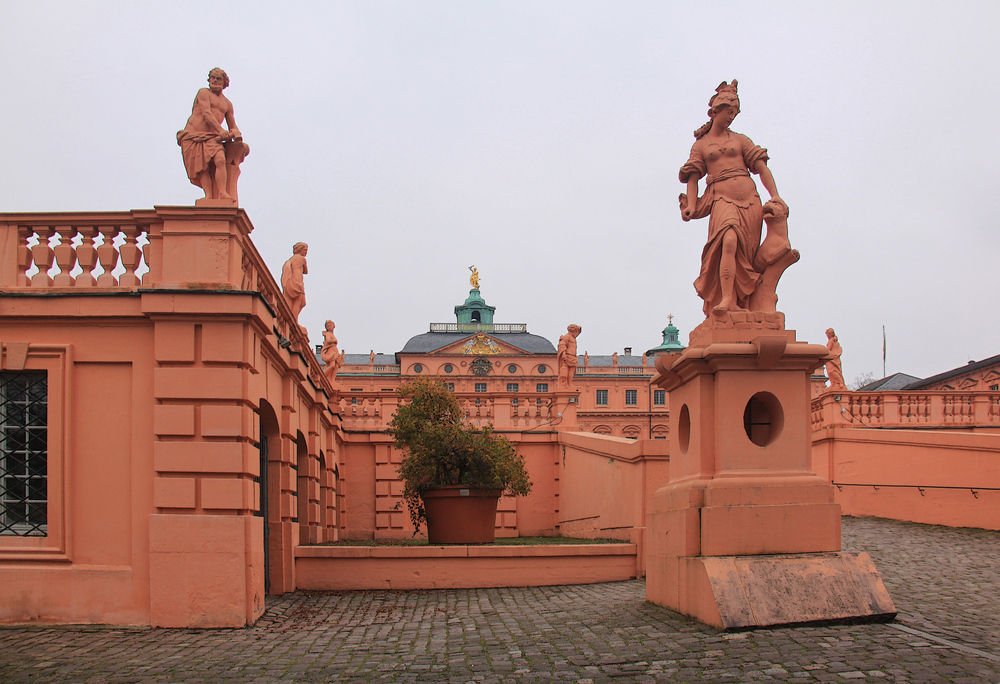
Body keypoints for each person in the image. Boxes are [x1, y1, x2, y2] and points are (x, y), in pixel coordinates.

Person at [679, 80, 786, 316]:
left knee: (746, 255)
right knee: (728, 241)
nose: (731, 118)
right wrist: (692, 206)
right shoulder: (700, 145)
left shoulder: (741, 140)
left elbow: (761, 169)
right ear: (716, 110)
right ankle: (726, 298)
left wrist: (776, 196)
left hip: (750, 200)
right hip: (721, 199)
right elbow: (692, 178)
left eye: (735, 114)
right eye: (729, 112)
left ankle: (742, 303)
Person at [177, 68, 249, 203]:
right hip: (193, 135)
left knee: (220, 160)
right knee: (202, 167)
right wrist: (221, 130)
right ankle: (209, 196)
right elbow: (206, 113)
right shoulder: (203, 93)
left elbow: (232, 124)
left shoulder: (227, 104)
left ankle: (222, 193)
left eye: (218, 78)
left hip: (212, 137)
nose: (215, 81)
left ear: (224, 83)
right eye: (212, 78)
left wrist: (236, 134)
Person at [281, 243, 308, 333]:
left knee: (300, 302)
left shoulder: (291, 260)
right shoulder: (302, 259)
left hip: (293, 280)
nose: (306, 252)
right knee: (299, 302)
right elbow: (306, 271)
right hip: (298, 282)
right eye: (305, 250)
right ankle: (294, 321)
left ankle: (292, 319)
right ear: (300, 249)